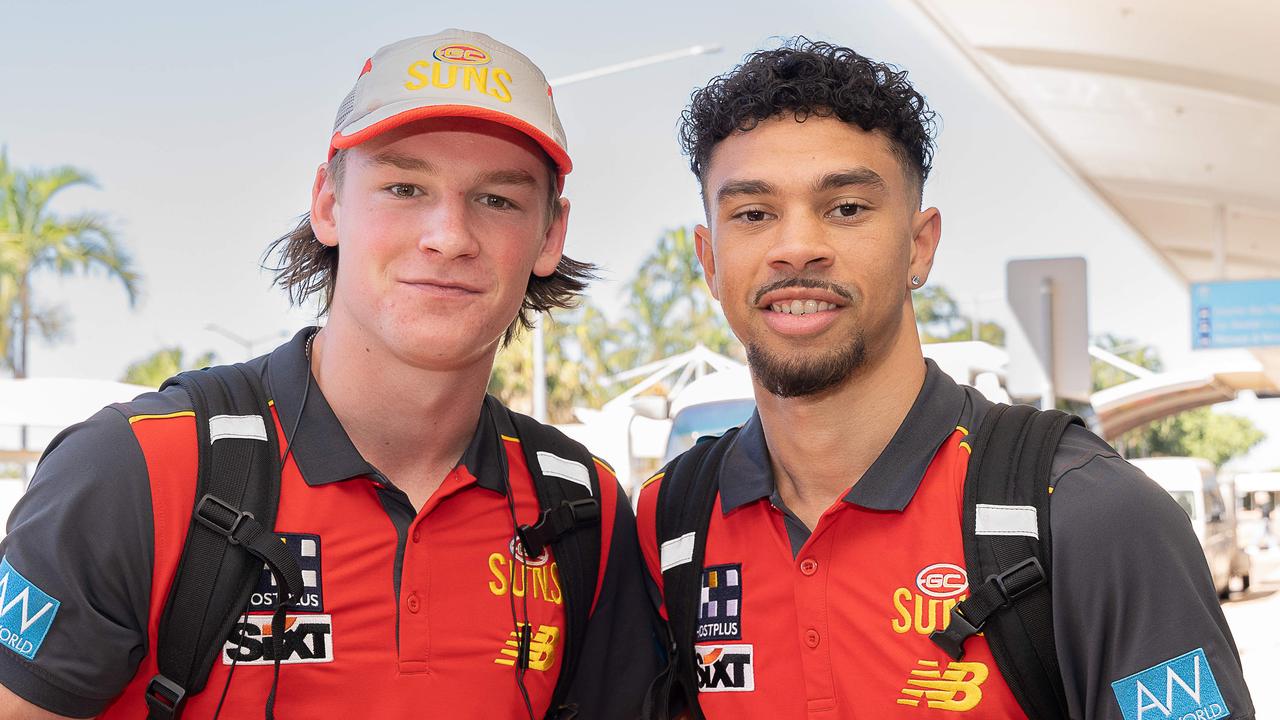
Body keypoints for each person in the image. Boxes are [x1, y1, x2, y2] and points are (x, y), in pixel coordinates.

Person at [0, 29, 658, 719]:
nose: (449, 235)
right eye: (404, 187)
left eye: (498, 199)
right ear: (328, 203)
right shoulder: (136, 470)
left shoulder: (584, 509)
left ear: (551, 234)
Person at [636, 39, 1255, 719]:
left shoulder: (1090, 512)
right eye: (753, 214)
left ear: (919, 244)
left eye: (846, 207)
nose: (795, 247)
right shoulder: (672, 522)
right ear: (710, 260)